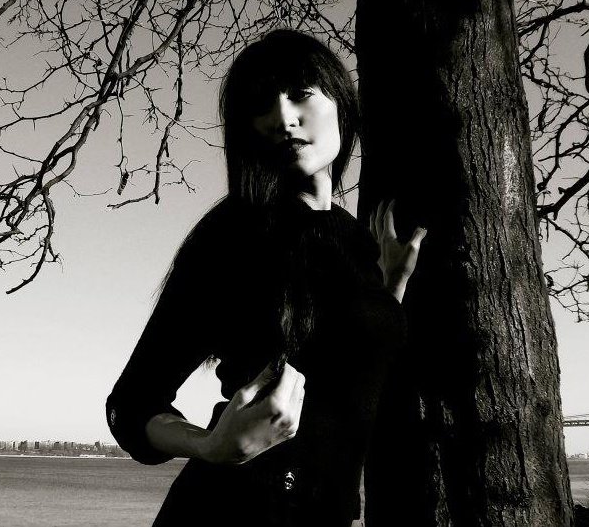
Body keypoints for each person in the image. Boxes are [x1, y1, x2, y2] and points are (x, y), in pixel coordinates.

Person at [106, 29, 426, 527]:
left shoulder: (355, 241)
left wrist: (389, 291)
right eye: (262, 106)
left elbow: (346, 369)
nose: (282, 118)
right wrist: (211, 445)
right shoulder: (235, 234)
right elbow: (131, 405)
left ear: (340, 101)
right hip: (229, 512)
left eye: (300, 93)